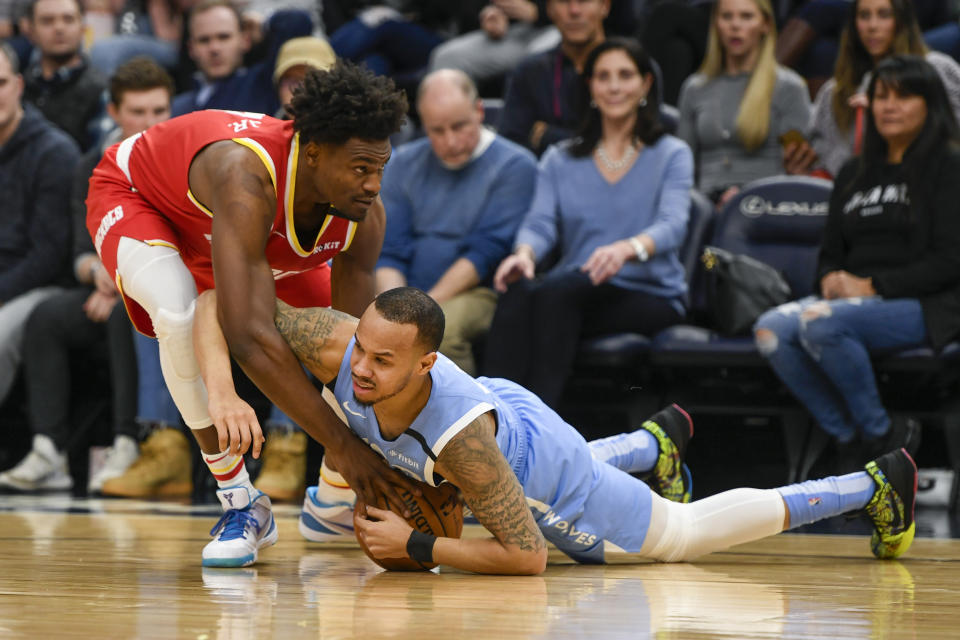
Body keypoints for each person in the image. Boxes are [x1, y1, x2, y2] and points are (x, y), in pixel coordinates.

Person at [195, 286, 919, 575]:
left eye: (385, 363)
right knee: (324, 530)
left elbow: (528, 560)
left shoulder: (460, 441)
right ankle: (652, 445)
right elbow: (214, 301)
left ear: (427, 365)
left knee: (682, 538)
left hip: (540, 470)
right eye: (363, 351)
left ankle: (871, 486)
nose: (361, 371)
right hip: (505, 410)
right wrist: (224, 392)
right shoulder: (343, 344)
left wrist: (418, 543)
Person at [84, 60, 417, 568]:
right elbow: (249, 337)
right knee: (177, 312)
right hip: (139, 196)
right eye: (360, 169)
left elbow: (350, 346)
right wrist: (347, 448)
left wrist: (349, 462)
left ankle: (327, 503)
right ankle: (241, 501)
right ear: (314, 155)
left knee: (352, 346)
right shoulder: (246, 177)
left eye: (380, 168)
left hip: (227, 224)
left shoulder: (362, 214)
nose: (373, 185)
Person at [755, 55, 960, 471]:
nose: (889, 106)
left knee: (821, 322)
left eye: (903, 96)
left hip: (927, 304)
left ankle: (882, 433)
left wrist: (871, 286)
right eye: (881, 97)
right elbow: (831, 251)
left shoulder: (949, 166)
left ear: (930, 103)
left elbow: (951, 260)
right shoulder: (852, 172)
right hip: (853, 303)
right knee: (770, 330)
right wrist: (830, 276)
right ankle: (847, 436)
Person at [483, 38, 691, 409]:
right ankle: (492, 420)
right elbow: (541, 222)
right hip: (574, 289)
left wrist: (627, 249)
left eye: (625, 75)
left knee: (558, 291)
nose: (613, 86)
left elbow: (673, 224)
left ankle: (540, 430)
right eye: (603, 76)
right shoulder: (559, 158)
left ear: (645, 85)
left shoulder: (672, 153)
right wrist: (525, 254)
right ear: (590, 87)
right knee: (518, 288)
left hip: (649, 291)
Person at [0, 57, 172, 494]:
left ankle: (126, 443)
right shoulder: (88, 165)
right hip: (103, 286)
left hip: (160, 295)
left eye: (159, 111)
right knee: (48, 317)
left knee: (126, 318)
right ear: (113, 113)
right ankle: (48, 450)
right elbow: (75, 253)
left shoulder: (186, 165)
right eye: (137, 111)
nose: (149, 122)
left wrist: (120, 279)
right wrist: (98, 271)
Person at [375, 68, 537, 376]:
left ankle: (465, 424)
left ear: (479, 112)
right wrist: (396, 313)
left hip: (480, 291)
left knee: (441, 335)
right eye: (437, 131)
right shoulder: (402, 163)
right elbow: (390, 250)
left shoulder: (515, 165)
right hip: (405, 289)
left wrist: (419, 315)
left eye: (459, 126)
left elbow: (485, 253)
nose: (450, 141)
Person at [786, 0, 960, 178]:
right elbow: (830, 168)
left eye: (884, 15)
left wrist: (884, 114)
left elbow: (952, 140)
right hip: (858, 198)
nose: (872, 26)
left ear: (902, 21)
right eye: (864, 16)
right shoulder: (834, 92)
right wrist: (805, 171)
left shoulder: (936, 68)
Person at [0, 42, 80, 415]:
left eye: (0, 83)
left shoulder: (54, 152)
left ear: (18, 84)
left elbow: (48, 255)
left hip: (40, 287)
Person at [677, 0, 811, 205]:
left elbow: (795, 169)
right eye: (727, 17)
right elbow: (683, 168)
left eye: (746, 17)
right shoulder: (694, 88)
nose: (735, 26)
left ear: (765, 25)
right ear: (716, 24)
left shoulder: (789, 87)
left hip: (765, 205)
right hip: (705, 206)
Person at [499, 0, 609, 156]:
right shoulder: (529, 71)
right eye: (563, 1)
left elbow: (637, 142)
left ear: (605, 6)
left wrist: (550, 136)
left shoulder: (631, 70)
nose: (574, 10)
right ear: (549, 9)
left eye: (584, 1)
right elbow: (511, 149)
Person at [171, 0, 312, 117]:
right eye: (204, 40)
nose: (214, 48)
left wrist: (262, 25)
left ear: (245, 40)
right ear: (191, 48)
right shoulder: (177, 106)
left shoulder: (262, 82)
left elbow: (298, 22)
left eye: (224, 37)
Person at [21, 0, 106, 150]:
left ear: (83, 28)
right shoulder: (16, 88)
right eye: (47, 21)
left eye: (68, 19)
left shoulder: (102, 90)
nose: (59, 28)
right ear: (31, 31)